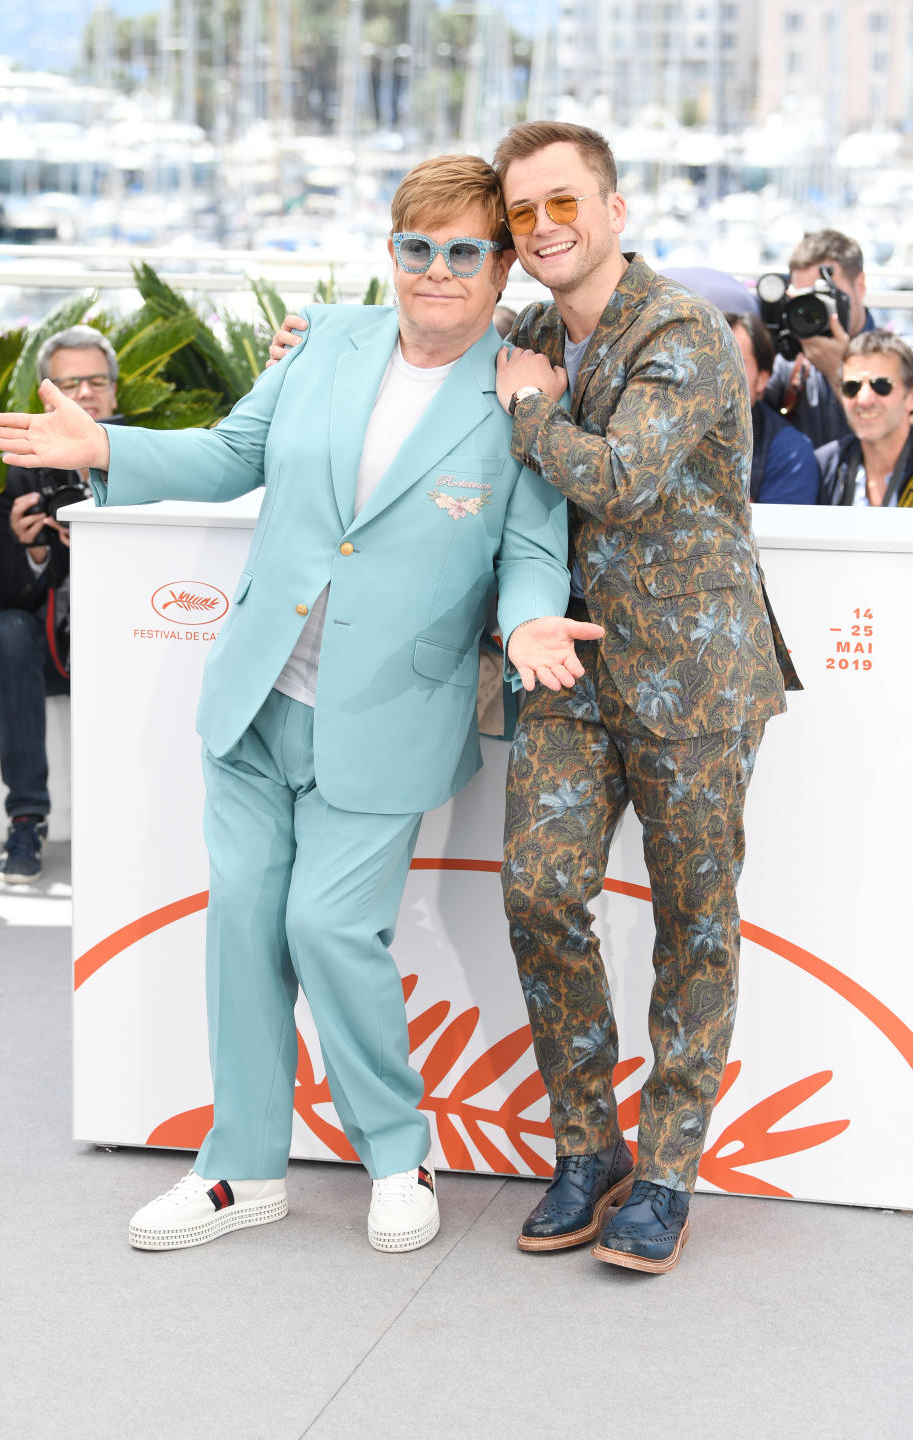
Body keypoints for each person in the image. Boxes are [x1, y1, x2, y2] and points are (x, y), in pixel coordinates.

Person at [0, 156, 602, 1256]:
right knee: (245, 929)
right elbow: (231, 456)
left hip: (391, 714)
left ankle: (396, 1151)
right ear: (393, 254)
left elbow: (528, 551)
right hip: (259, 692)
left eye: (465, 252)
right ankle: (239, 1173)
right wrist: (105, 449)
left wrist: (532, 622)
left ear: (500, 266)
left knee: (326, 926)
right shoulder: (323, 343)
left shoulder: (522, 392)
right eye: (417, 249)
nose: (438, 273)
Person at [489, 120, 800, 1273]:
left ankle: (666, 1170)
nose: (544, 227)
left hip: (698, 678)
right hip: (571, 664)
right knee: (538, 888)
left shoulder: (679, 330)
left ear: (614, 210)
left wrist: (529, 412)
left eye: (563, 202)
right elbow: (424, 361)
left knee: (695, 925)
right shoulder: (524, 328)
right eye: (524, 213)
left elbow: (619, 478)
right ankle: (588, 1145)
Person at [0, 325, 118, 882]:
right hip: (47, 651)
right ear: (48, 394)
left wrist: (101, 547)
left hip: (121, 645)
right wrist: (31, 549)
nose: (84, 394)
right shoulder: (21, 473)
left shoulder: (158, 463)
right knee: (7, 629)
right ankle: (27, 818)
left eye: (96, 381)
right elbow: (0, 597)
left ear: (115, 392)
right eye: (70, 382)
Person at [762, 229, 875, 449]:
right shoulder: (789, 363)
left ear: (859, 286)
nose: (814, 311)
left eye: (825, 295)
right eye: (804, 299)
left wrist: (839, 373)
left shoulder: (898, 361)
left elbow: (898, 444)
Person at [725, 312, 820, 504]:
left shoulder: (790, 451)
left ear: (762, 379)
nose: (721, 374)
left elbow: (780, 531)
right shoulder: (666, 427)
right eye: (707, 361)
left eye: (736, 363)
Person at [815, 330, 913, 507]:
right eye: (851, 387)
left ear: (910, 397)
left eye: (882, 385)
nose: (864, 399)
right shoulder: (823, 467)